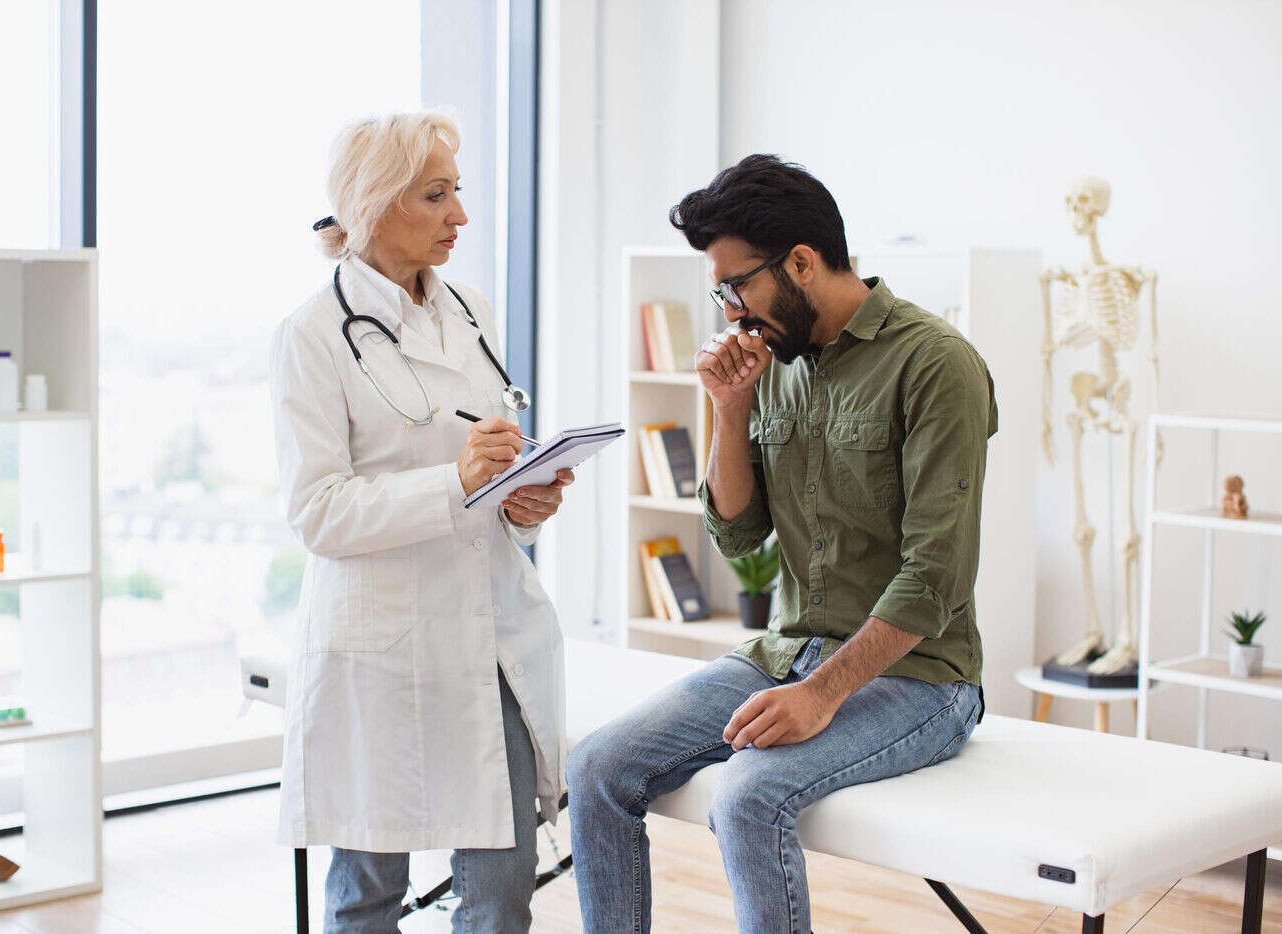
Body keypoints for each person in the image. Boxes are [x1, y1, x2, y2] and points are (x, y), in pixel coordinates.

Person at [566, 154, 997, 933]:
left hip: (923, 678)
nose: (732, 312)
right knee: (596, 768)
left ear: (801, 261)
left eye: (739, 286)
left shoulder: (937, 364)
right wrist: (729, 409)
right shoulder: (771, 363)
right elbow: (738, 534)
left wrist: (823, 693)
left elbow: (934, 574)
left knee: (746, 795)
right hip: (786, 650)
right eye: (720, 292)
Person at [271, 110, 572, 933]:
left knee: (502, 885)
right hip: (381, 645)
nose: (460, 218)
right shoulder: (312, 334)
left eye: (457, 193)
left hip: (487, 634)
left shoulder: (467, 309)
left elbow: (486, 471)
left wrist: (523, 499)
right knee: (368, 891)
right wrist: (458, 480)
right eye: (436, 196)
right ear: (373, 203)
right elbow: (317, 512)